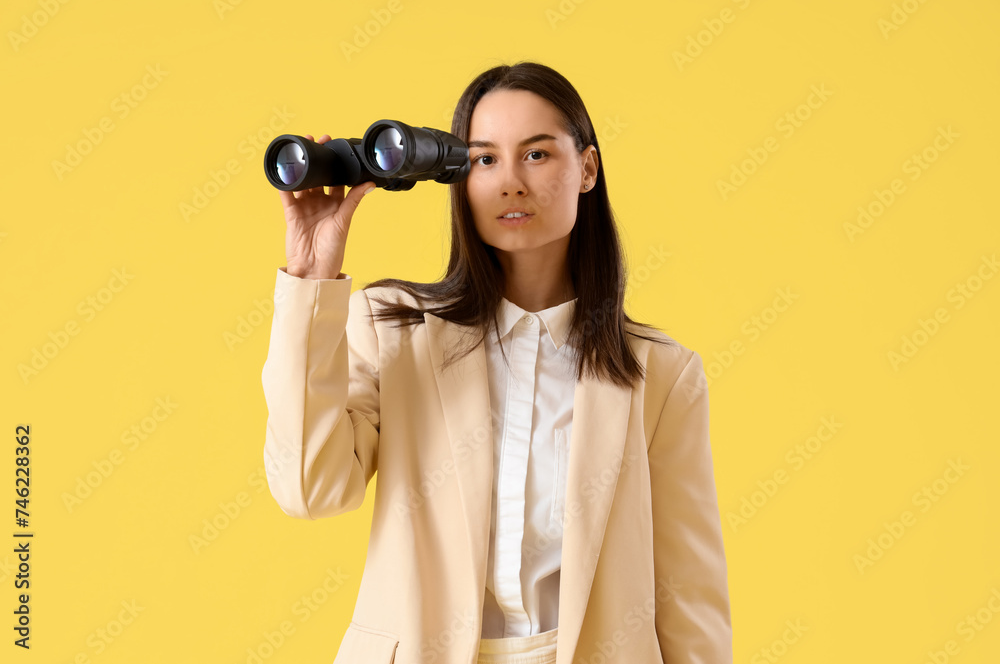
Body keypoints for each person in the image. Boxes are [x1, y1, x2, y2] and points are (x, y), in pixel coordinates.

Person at [261, 61, 732, 664]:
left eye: (536, 155)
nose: (510, 181)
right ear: (457, 176)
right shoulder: (394, 328)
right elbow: (309, 488)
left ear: (587, 168)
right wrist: (310, 275)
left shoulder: (661, 373)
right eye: (484, 159)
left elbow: (687, 593)